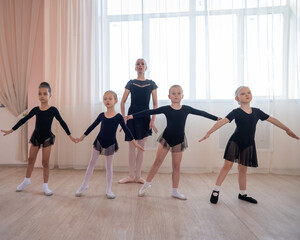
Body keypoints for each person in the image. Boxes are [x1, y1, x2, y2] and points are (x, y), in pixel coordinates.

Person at [199, 86, 299, 204]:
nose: (246, 95)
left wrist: (287, 129)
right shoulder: (236, 112)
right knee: (227, 166)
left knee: (243, 169)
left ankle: (243, 194)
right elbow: (222, 122)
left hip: (248, 144)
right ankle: (216, 190)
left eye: (249, 92)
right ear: (237, 98)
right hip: (235, 142)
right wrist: (209, 132)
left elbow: (273, 120)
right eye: (242, 94)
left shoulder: (257, 112)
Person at [128, 85, 220, 200]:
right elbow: (150, 111)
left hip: (179, 140)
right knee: (157, 162)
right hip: (166, 139)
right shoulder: (166, 108)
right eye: (173, 93)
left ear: (182, 96)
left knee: (176, 166)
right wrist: (132, 116)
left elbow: (200, 112)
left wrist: (216, 118)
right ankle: (146, 185)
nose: (176, 95)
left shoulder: (186, 108)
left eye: (178, 93)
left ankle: (175, 191)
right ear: (169, 96)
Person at [1, 82, 76, 196]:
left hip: (47, 138)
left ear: (49, 95)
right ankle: (27, 180)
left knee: (45, 162)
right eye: (40, 94)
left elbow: (62, 122)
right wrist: (11, 130)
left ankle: (45, 186)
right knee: (31, 159)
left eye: (45, 94)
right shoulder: (36, 109)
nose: (42, 96)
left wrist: (70, 135)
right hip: (36, 137)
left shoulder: (53, 110)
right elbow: (24, 119)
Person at [75, 90, 144, 199]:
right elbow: (92, 126)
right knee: (92, 162)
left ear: (115, 101)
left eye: (110, 98)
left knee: (109, 166)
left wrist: (134, 143)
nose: (107, 101)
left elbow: (126, 130)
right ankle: (84, 185)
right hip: (99, 142)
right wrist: (82, 137)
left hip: (110, 143)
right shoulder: (102, 115)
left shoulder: (118, 117)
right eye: (105, 99)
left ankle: (108, 189)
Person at [118, 58, 158, 184]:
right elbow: (123, 101)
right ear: (135, 68)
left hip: (145, 115)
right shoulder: (130, 83)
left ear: (146, 67)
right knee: (131, 147)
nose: (140, 65)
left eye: (142, 64)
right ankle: (130, 176)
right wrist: (124, 117)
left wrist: (152, 120)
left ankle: (138, 176)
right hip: (132, 115)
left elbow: (155, 104)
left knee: (141, 146)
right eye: (138, 64)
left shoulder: (151, 83)